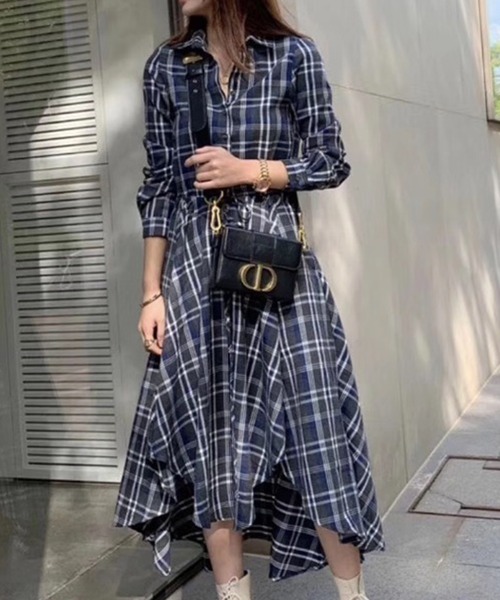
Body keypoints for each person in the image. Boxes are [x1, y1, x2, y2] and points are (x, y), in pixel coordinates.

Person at [114, 1, 385, 599]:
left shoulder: (293, 55)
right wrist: (151, 293)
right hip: (195, 276)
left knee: (316, 432)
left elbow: (330, 160)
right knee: (216, 446)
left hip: (279, 269)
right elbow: (158, 187)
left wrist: (250, 171)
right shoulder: (167, 66)